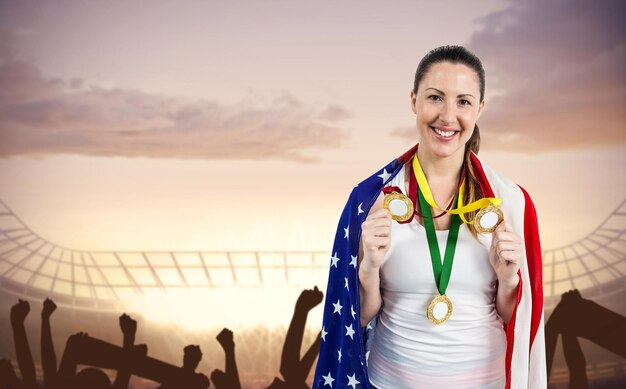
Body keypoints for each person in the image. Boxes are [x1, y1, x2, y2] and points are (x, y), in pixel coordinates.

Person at [312, 45, 546, 389]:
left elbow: (521, 320)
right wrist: (369, 269)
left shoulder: (511, 203)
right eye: (435, 98)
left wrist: (508, 280)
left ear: (480, 108)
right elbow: (355, 318)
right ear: (413, 100)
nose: (448, 116)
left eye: (463, 102)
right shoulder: (371, 199)